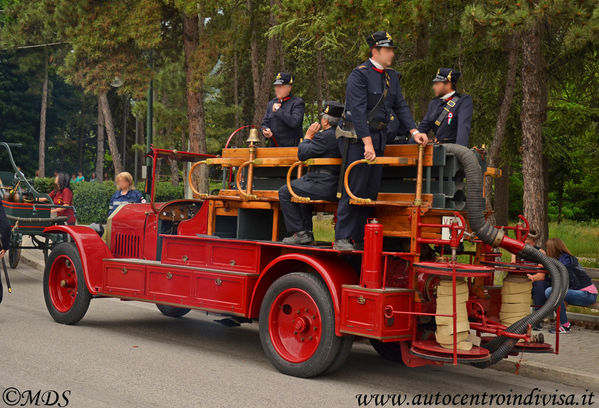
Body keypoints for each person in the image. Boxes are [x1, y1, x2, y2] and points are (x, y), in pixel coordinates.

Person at [334, 31, 428, 251]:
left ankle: (359, 238)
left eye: (392, 50)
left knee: (370, 191)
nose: (392, 54)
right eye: (388, 50)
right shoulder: (360, 74)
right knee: (354, 187)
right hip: (358, 139)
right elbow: (357, 111)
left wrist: (415, 131)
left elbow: (400, 107)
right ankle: (343, 236)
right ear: (375, 51)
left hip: (380, 138)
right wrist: (366, 143)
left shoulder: (391, 77)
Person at [278, 101, 344, 245]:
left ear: (325, 121)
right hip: (337, 185)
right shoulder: (342, 136)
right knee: (301, 191)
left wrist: (308, 136)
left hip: (322, 185)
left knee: (284, 192)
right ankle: (306, 232)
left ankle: (301, 232)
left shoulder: (325, 137)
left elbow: (302, 154)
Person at [543, 238, 597, 334]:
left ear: (553, 249)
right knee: (554, 293)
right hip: (580, 293)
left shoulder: (566, 261)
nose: (547, 251)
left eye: (547, 248)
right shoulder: (563, 259)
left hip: (587, 294)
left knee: (550, 292)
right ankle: (564, 324)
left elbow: (569, 281)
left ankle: (565, 325)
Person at [417, 68, 473, 146]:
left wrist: (460, 152)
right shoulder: (434, 103)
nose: (433, 87)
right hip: (437, 149)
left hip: (453, 150)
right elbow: (422, 128)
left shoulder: (463, 101)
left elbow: (463, 129)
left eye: (437, 83)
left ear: (448, 84)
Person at [261, 72, 305, 147]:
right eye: (276, 86)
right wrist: (265, 130)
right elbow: (264, 123)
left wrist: (278, 110)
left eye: (280, 87)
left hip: (291, 148)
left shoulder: (297, 103)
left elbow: (294, 122)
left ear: (289, 88)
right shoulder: (271, 103)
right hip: (273, 147)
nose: (277, 89)